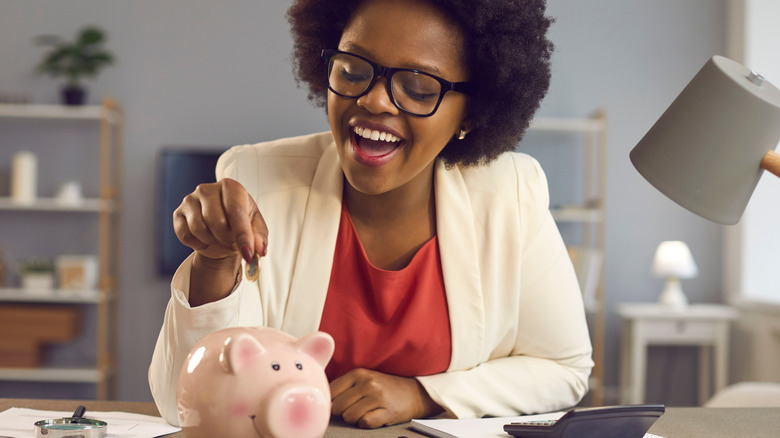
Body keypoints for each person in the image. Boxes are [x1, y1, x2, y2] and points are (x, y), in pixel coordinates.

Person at [149, 0, 593, 429]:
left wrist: (423, 394)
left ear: (471, 115)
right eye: (353, 71)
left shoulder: (510, 192)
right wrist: (213, 262)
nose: (375, 101)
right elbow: (182, 405)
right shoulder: (256, 181)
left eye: (418, 88)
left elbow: (564, 369)